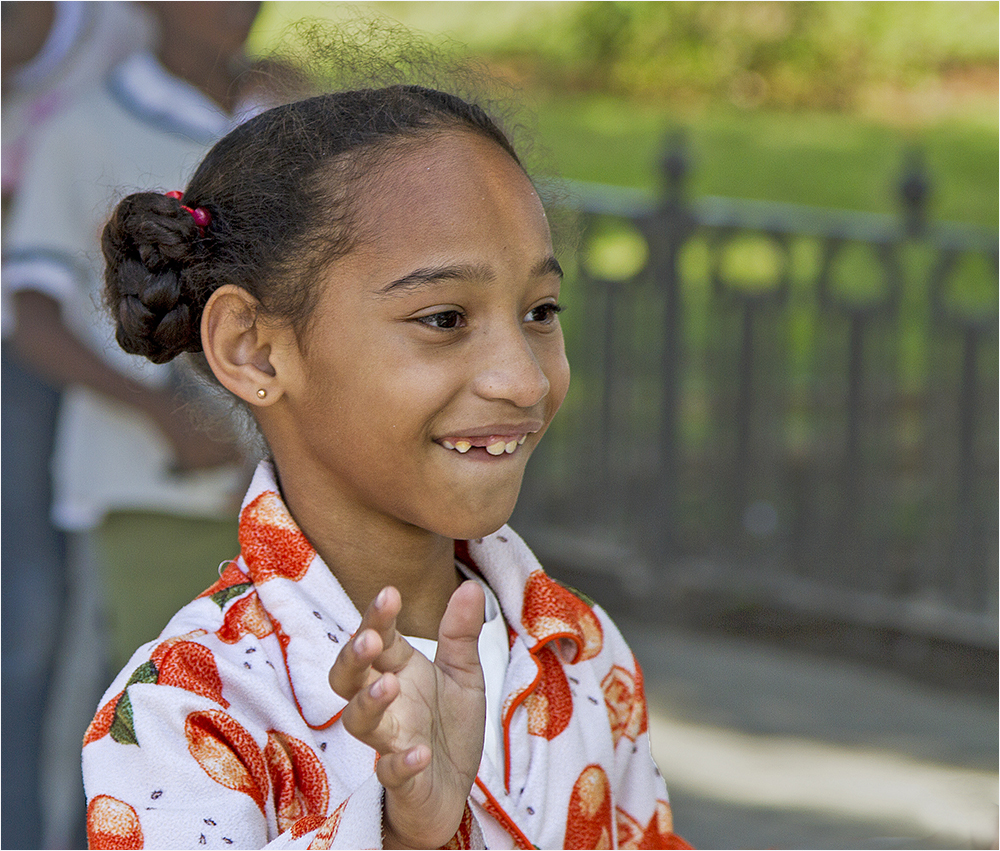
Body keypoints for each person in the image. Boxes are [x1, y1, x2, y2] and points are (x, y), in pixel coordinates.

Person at [80, 68, 692, 849]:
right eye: (444, 318)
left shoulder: (580, 648)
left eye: (540, 312)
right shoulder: (189, 708)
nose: (523, 377)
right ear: (255, 349)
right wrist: (404, 835)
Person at [3, 4, 261, 845]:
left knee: (251, 725)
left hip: (271, 487)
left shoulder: (283, 127)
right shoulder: (84, 126)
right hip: (140, 485)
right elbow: (30, 311)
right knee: (137, 728)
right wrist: (164, 418)